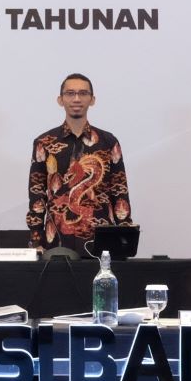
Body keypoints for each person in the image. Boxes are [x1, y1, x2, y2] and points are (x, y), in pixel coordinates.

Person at [26, 73, 133, 249]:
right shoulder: (44, 143)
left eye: (83, 93)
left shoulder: (109, 142)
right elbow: (37, 195)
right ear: (60, 100)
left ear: (92, 100)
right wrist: (36, 240)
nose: (76, 99)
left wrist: (125, 241)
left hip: (101, 241)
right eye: (70, 93)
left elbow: (119, 191)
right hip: (57, 243)